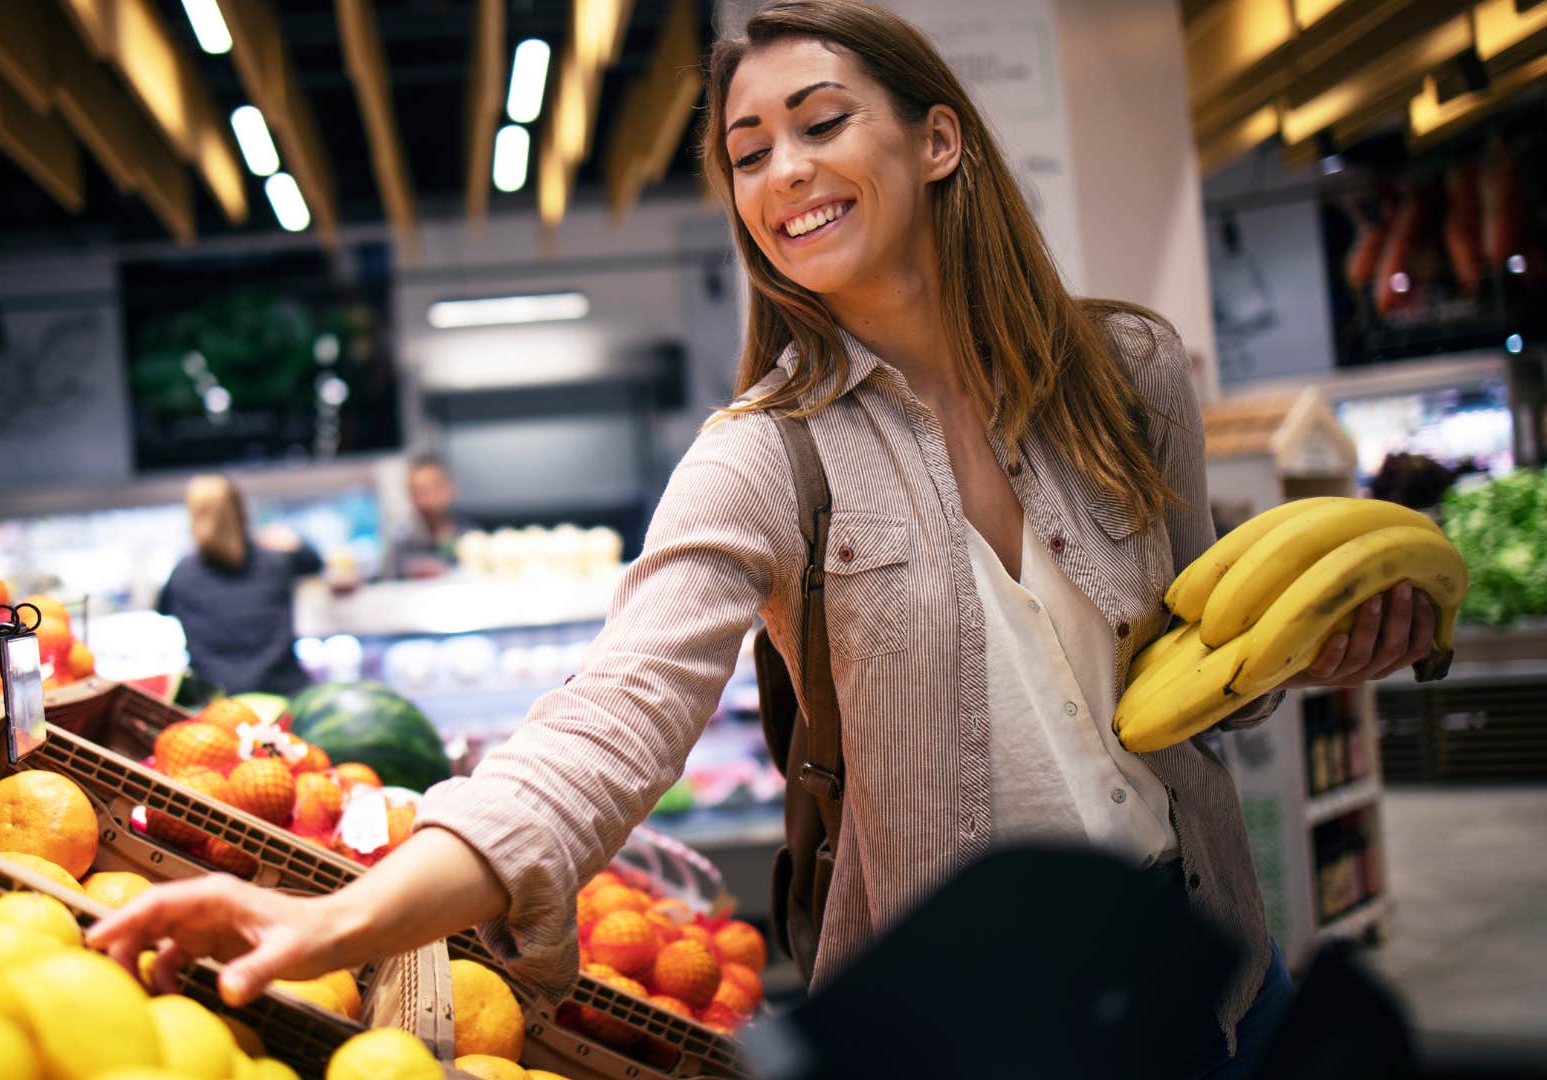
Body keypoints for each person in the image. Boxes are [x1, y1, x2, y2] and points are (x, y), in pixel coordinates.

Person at [92, 5, 1437, 1075]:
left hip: (1196, 978)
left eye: (818, 123)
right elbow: (607, 722)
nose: (781, 171)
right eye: (747, 153)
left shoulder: (1131, 376)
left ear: (938, 142)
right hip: (948, 1028)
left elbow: (1193, 677)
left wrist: (1322, 647)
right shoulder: (766, 455)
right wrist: (341, 913)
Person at [157, 475, 321, 698]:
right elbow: (314, 562)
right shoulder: (275, 561)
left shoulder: (182, 574)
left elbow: (162, 608)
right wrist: (292, 540)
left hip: (218, 703)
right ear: (241, 511)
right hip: (285, 696)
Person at [382, 455, 475, 579]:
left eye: (435, 487)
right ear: (410, 496)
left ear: (450, 488)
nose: (430, 497)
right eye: (420, 491)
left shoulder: (470, 536)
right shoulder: (402, 540)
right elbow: (387, 582)